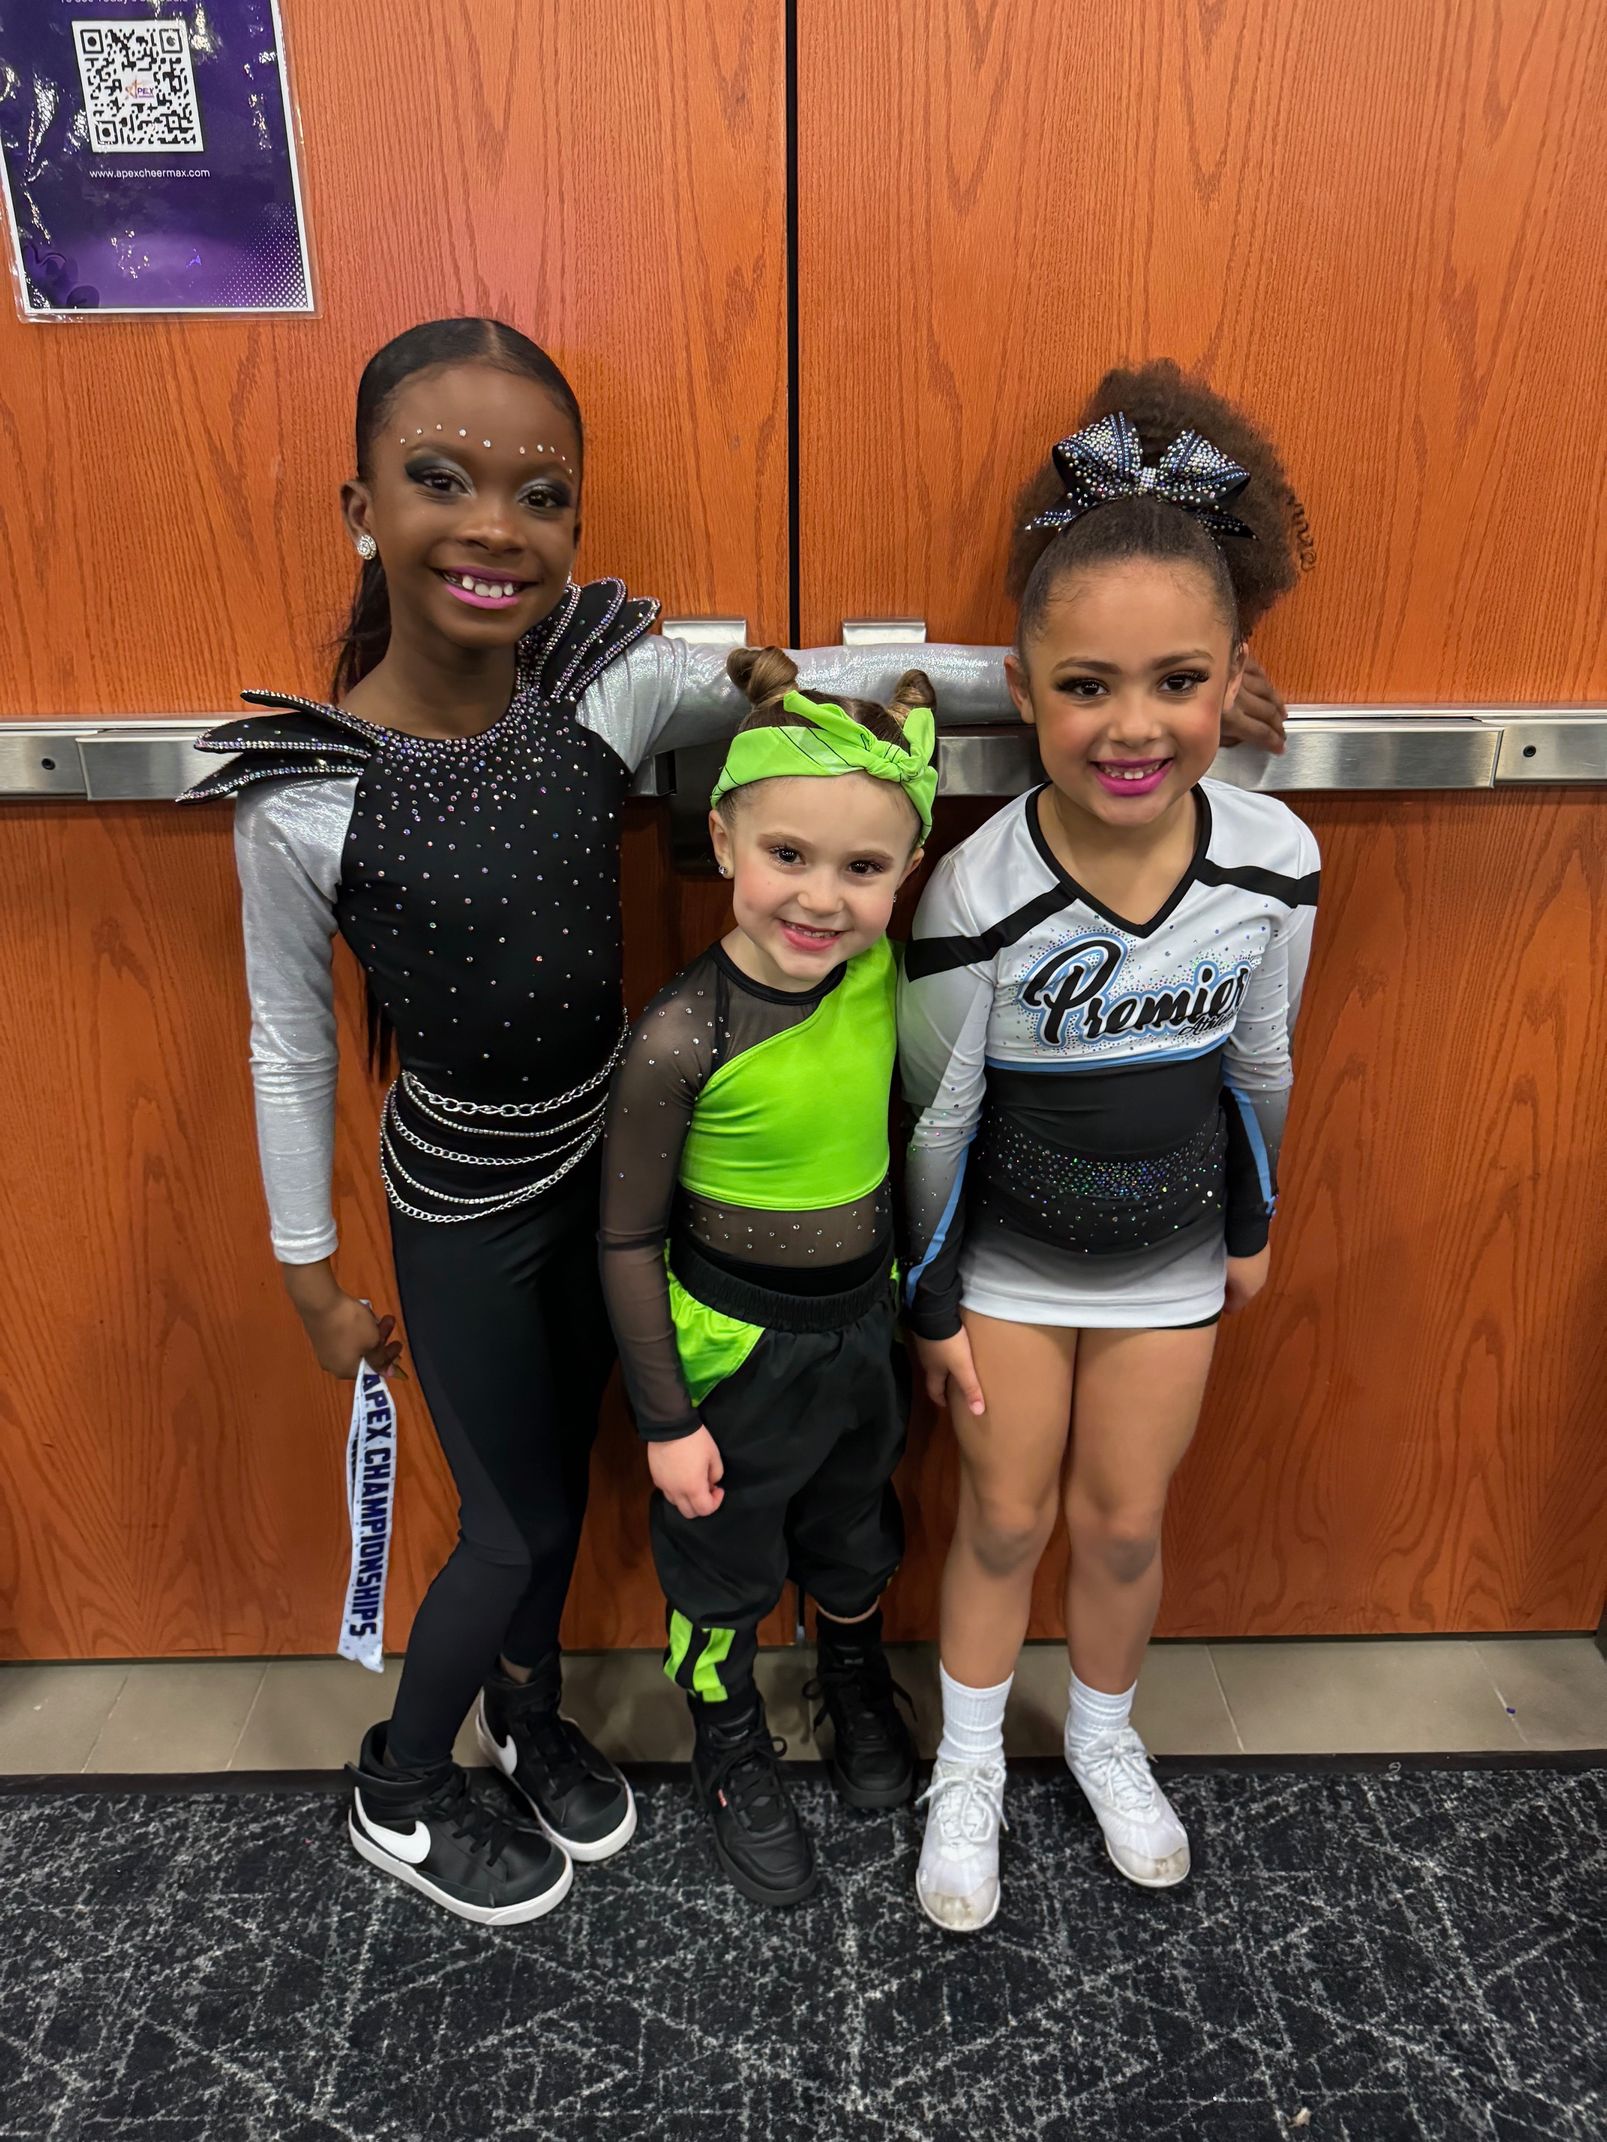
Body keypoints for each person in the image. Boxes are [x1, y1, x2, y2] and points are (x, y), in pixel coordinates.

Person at [182, 315, 1053, 1926]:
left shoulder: (604, 693)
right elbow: (289, 1040)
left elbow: (823, 684)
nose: (495, 524)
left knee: (575, 1478)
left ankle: (526, 1717)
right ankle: (400, 1782)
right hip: (462, 1210)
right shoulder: (301, 793)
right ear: (360, 508)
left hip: (614, 1175)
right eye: (439, 478)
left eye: (541, 493)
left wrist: (1066, 696)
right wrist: (307, 1268)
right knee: (510, 1522)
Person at [899, 361, 1319, 1932]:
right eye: (1083, 685)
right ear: (1020, 688)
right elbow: (934, 1117)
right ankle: (965, 1765)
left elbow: (1261, 1055)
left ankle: (1100, 1732)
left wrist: (1252, 1223)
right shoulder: (973, 890)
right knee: (1004, 1515)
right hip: (1004, 1267)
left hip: (1168, 1259)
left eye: (1175, 681)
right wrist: (931, 1301)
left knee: (1124, 1520)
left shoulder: (1273, 860)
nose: (1130, 725)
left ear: (1232, 681)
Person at [598, 650, 936, 1905]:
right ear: (721, 838)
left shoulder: (880, 973)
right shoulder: (679, 1035)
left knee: (854, 1532)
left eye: (862, 869)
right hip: (730, 1355)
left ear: (907, 870)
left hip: (858, 1332)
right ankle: (728, 1741)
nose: (819, 899)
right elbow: (622, 1240)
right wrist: (663, 1421)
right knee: (723, 1566)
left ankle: (851, 1675)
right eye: (786, 854)